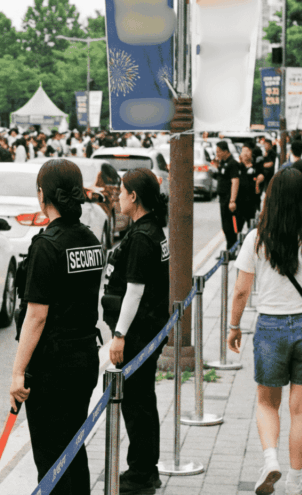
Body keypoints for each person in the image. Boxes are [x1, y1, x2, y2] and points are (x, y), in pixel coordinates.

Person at [227, 168, 302, 495]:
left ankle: (270, 460)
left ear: (271, 198)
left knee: (266, 403)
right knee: (301, 409)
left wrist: (233, 327)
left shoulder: (257, 237)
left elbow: (240, 291)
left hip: (270, 328)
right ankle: (294, 480)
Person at [10, 159, 102, 495]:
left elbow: (36, 316)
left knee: (51, 458)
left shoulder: (47, 245)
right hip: (85, 356)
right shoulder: (90, 239)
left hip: (53, 366)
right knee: (73, 448)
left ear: (42, 195)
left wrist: (18, 372)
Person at [101, 168, 169, 493]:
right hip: (147, 329)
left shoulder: (143, 237)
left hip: (139, 333)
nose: (118, 195)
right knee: (143, 401)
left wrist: (119, 335)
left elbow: (136, 290)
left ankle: (141, 473)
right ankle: (144, 467)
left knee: (137, 404)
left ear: (134, 197)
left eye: (122, 190)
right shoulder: (150, 229)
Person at [213, 141, 241, 249]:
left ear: (225, 151)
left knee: (230, 226)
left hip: (228, 199)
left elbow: (235, 181)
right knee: (225, 226)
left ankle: (232, 248)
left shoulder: (232, 163)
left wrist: (232, 200)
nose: (217, 154)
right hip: (222, 198)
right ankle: (229, 248)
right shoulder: (223, 162)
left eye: (218, 152)